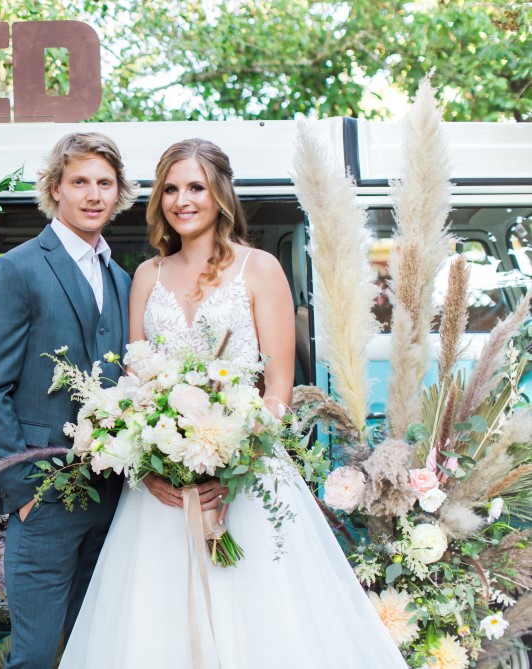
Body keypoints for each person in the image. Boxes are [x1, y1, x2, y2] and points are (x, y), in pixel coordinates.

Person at [59, 139, 408, 668]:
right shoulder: (147, 278)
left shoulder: (260, 269)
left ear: (219, 193)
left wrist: (233, 458)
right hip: (161, 495)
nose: (182, 200)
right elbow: (134, 382)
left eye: (196, 187)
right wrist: (151, 462)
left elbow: (278, 389)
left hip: (245, 481)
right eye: (171, 189)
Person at [0, 132, 139, 669]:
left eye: (104, 183)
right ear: (55, 189)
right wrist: (25, 492)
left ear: (118, 194)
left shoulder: (121, 277)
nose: (93, 194)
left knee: (94, 653)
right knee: (36, 658)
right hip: (44, 499)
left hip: (113, 500)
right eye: (80, 181)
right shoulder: (17, 269)